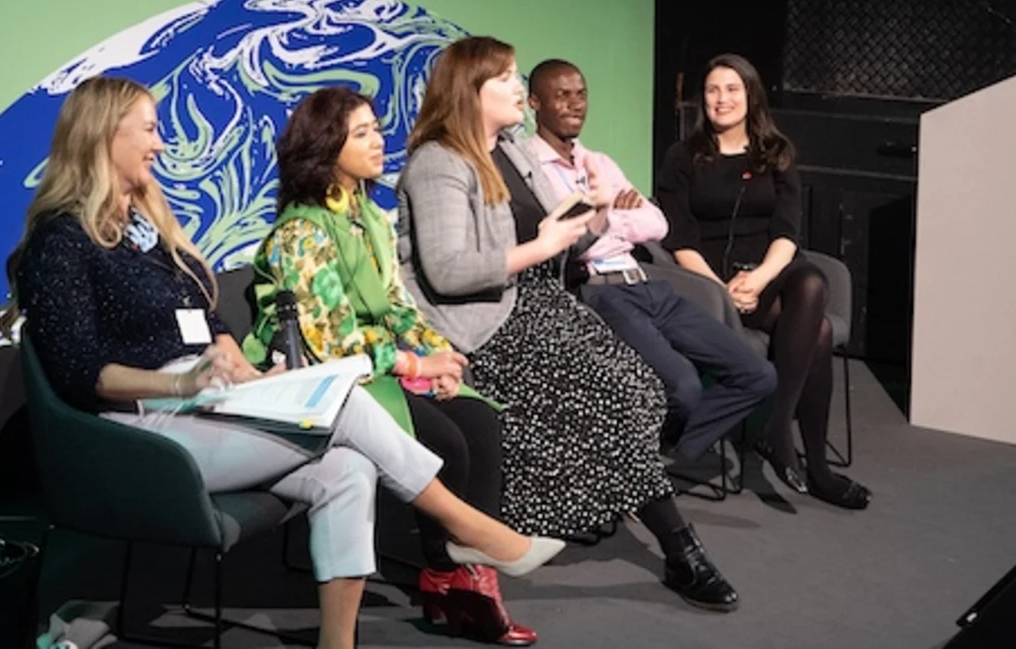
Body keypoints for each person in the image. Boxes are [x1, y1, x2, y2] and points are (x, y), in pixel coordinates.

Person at [1, 76, 562, 649]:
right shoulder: (61, 241)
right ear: (101, 135)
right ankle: (465, 527)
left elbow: (202, 320)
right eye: (149, 129)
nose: (163, 144)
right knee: (344, 398)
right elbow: (80, 374)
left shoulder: (145, 233)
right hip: (138, 428)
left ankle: (338, 644)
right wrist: (183, 381)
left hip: (205, 403)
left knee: (348, 470)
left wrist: (231, 360)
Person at [396, 36, 740, 612]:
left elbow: (557, 237)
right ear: (470, 91)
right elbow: (450, 272)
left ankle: (592, 502)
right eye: (505, 79)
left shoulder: (510, 149)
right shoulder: (439, 162)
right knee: (614, 397)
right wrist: (542, 246)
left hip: (539, 303)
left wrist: (595, 210)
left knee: (642, 390)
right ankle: (682, 549)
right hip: (481, 323)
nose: (517, 89)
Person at [245, 86, 537, 646]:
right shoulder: (302, 233)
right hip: (334, 379)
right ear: (326, 148)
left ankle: (454, 577)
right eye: (362, 133)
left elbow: (398, 305)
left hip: (383, 361)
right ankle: (454, 576)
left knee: (482, 423)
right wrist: (414, 363)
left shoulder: (369, 217)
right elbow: (330, 346)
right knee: (446, 443)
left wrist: (440, 355)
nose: (380, 140)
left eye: (377, 129)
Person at [525, 59, 774, 466]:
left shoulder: (599, 163)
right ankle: (646, 468)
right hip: (599, 291)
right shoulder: (529, 169)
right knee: (683, 387)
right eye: (561, 95)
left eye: (581, 93)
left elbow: (657, 223)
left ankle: (662, 458)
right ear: (535, 102)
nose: (575, 104)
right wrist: (611, 219)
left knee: (757, 374)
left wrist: (604, 218)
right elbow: (575, 244)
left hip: (646, 283)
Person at [654, 54, 871, 509]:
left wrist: (758, 279)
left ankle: (779, 430)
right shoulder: (682, 158)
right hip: (708, 278)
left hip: (769, 271)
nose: (722, 99)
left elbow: (787, 232)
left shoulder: (776, 153)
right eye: (713, 90)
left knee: (810, 283)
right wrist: (722, 289)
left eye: (732, 89)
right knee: (822, 330)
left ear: (750, 95)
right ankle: (816, 467)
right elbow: (680, 236)